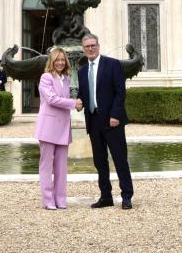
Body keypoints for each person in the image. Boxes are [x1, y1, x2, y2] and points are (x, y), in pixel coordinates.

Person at [77, 34, 133, 209]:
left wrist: (116, 115)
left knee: (120, 159)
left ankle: (126, 196)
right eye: (87, 46)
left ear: (98, 46)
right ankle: (106, 196)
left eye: (93, 45)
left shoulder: (113, 64)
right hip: (93, 121)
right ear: (83, 49)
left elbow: (120, 92)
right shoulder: (81, 71)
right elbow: (85, 94)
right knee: (99, 161)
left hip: (112, 120)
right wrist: (79, 102)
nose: (90, 49)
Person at [34, 47, 83, 210]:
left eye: (63, 60)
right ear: (52, 61)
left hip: (63, 127)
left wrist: (76, 104)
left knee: (61, 167)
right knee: (46, 166)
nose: (60, 62)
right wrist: (73, 103)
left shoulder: (67, 78)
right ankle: (48, 201)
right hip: (48, 128)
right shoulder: (45, 77)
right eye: (57, 60)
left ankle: (61, 200)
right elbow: (52, 99)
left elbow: (63, 99)